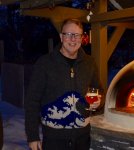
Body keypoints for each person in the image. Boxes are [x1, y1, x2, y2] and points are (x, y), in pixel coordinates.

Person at [25, 18, 103, 150]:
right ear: (61, 37)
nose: (73, 39)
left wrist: (99, 101)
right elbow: (32, 101)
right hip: (53, 140)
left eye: (77, 35)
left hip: (82, 139)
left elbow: (99, 90)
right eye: (69, 35)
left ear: (82, 38)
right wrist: (32, 136)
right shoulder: (45, 63)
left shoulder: (90, 63)